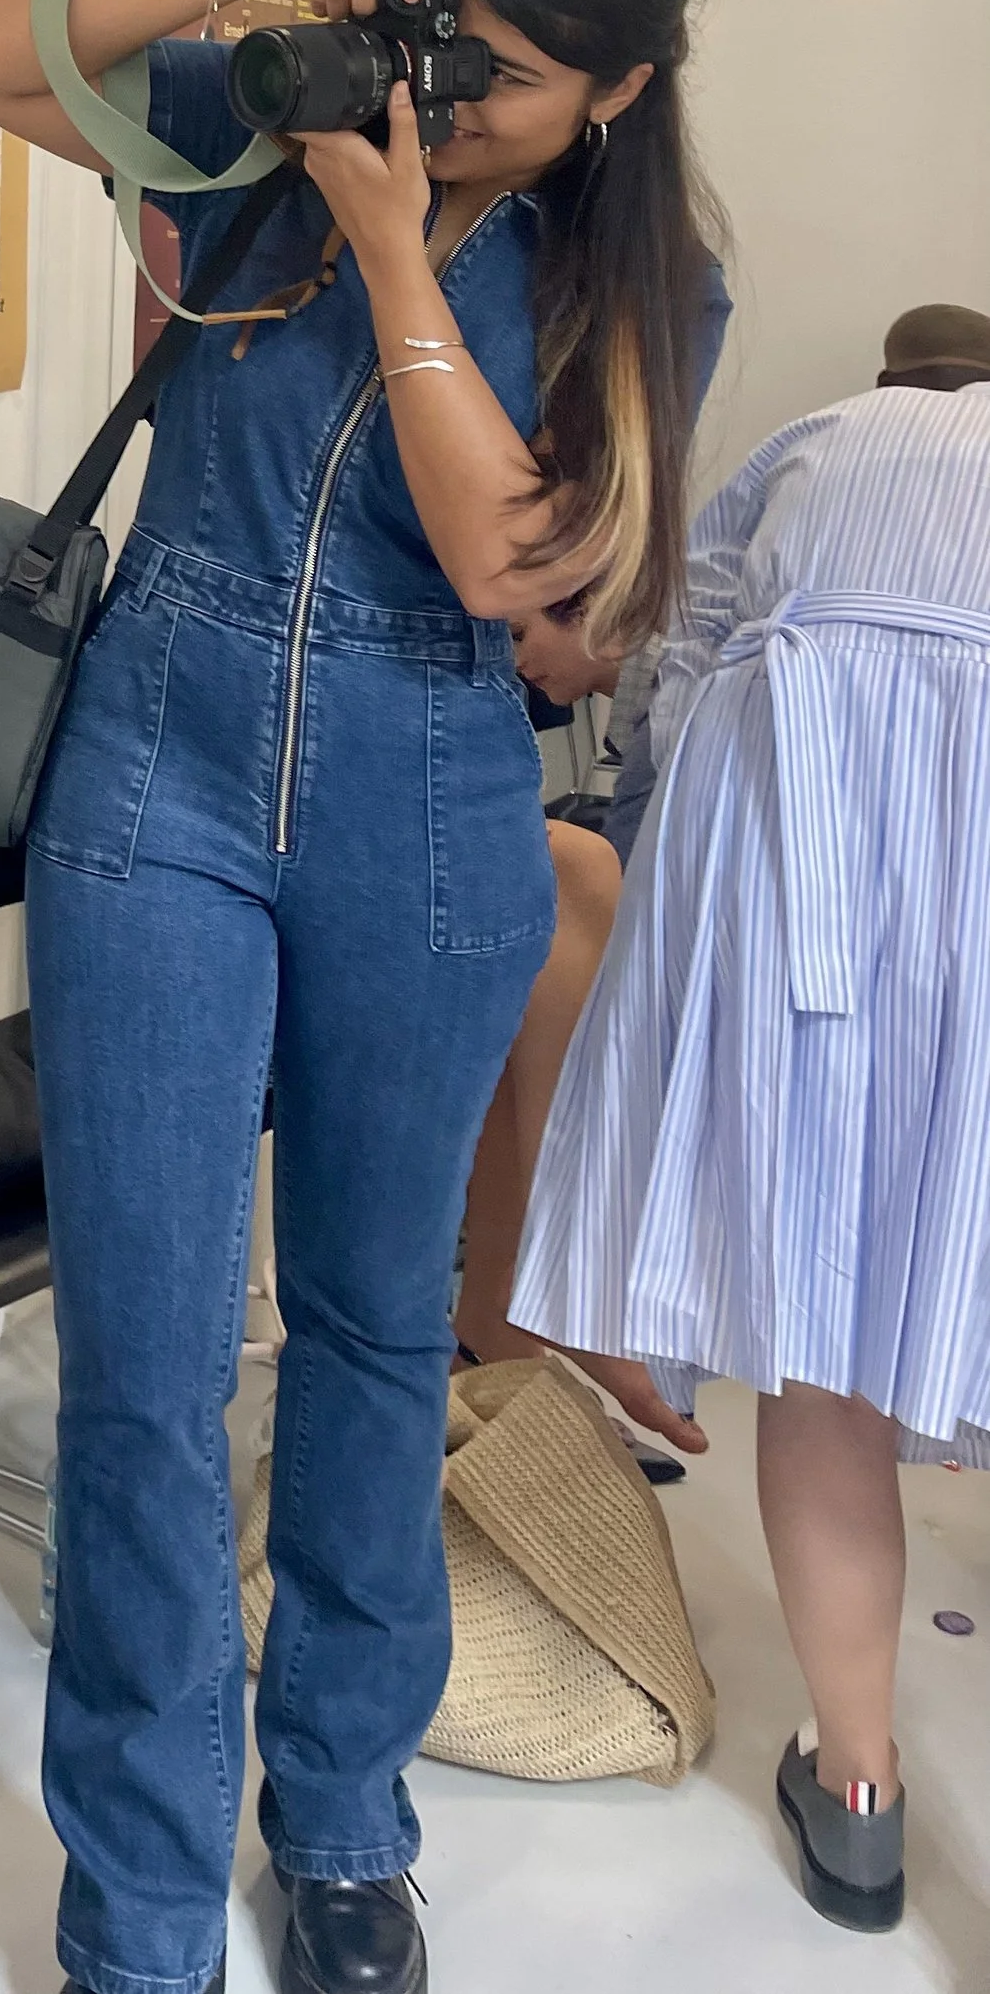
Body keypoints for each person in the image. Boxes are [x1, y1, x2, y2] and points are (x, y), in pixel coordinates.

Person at [0, 0, 728, 1994]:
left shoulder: (634, 280)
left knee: (377, 1334)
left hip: (429, 782)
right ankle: (135, 1909)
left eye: (524, 78)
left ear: (620, 97)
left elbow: (511, 568)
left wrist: (389, 249)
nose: (460, 93)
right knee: (149, 1365)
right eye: (457, 28)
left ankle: (348, 1821)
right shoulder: (279, 106)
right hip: (153, 766)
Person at [515, 381, 990, 1939]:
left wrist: (654, 851)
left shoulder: (834, 433)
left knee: (826, 1347)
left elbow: (673, 667)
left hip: (810, 863)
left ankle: (858, 1797)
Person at [455, 298, 990, 1423]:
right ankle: (531, 1325)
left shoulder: (789, 491)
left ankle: (536, 1323)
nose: (531, 667)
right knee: (577, 897)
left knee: (583, 902)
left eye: (534, 636)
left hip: (748, 879)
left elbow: (666, 781)